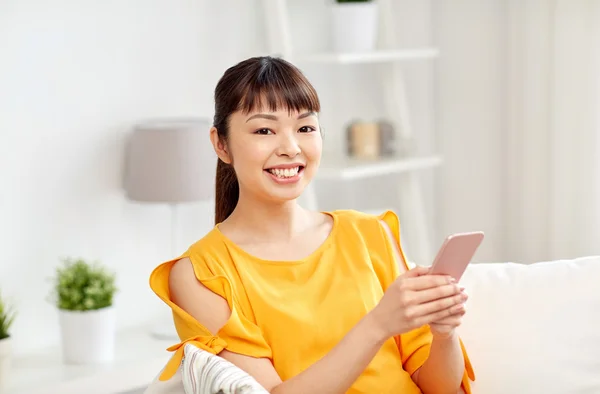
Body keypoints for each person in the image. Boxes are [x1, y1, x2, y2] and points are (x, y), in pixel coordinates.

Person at [149, 56, 475, 394]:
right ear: (221, 144)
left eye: (305, 128)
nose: (290, 148)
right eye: (264, 130)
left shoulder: (369, 234)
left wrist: (443, 333)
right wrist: (377, 324)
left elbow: (440, 389)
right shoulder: (200, 274)